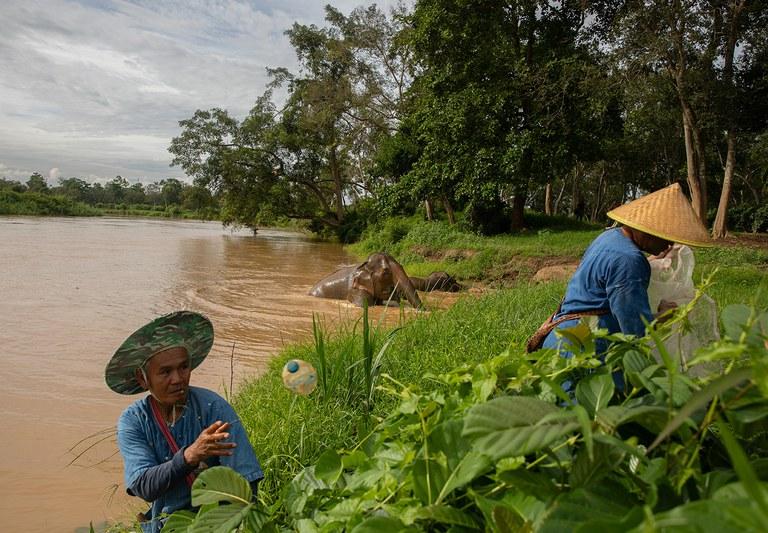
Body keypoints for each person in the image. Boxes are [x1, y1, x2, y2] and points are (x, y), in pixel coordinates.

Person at [105, 310, 264, 533]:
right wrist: (189, 456)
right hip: (166, 526)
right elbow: (144, 486)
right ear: (143, 379)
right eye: (165, 372)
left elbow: (247, 483)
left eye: (183, 367)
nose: (178, 379)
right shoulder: (133, 421)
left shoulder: (213, 407)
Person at [528, 183, 712, 365]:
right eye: (665, 235)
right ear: (645, 230)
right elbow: (636, 330)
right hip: (584, 353)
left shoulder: (610, 238)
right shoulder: (629, 261)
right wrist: (664, 315)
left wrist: (648, 262)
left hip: (562, 339)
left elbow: (610, 272)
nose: (670, 244)